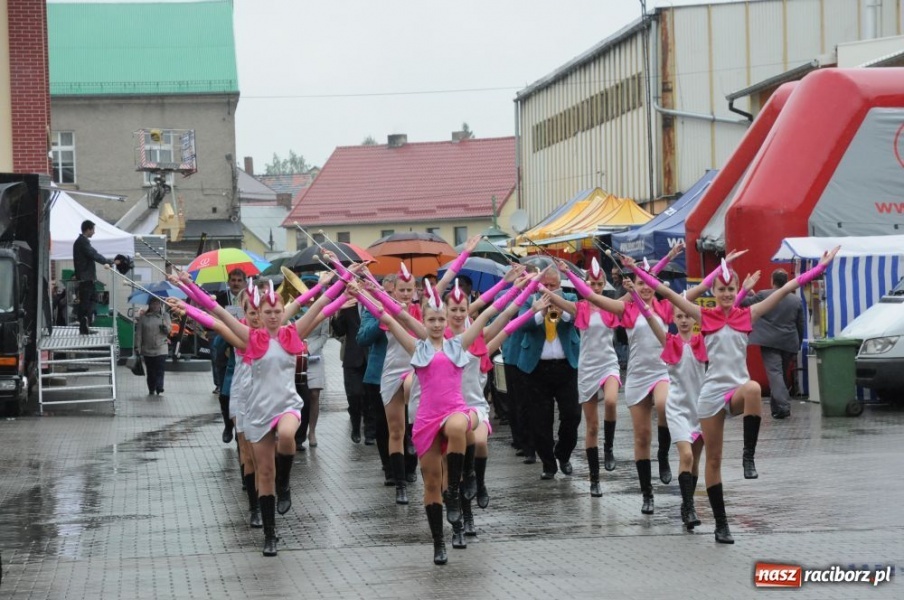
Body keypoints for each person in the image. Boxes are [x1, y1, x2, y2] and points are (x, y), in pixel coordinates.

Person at [629, 247, 839, 543]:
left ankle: (748, 457)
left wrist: (820, 268)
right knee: (712, 461)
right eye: (721, 289)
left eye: (731, 289)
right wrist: (636, 272)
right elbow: (664, 290)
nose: (727, 293)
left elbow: (789, 287)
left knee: (753, 387)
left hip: (735, 391)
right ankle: (721, 524)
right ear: (713, 290)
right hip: (709, 396)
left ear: (736, 290)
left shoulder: (748, 314)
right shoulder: (703, 315)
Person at [545, 258, 620, 497]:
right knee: (591, 427)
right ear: (585, 284)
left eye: (599, 284)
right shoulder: (580, 308)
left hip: (609, 364)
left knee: (610, 401)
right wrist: (537, 284)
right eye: (592, 284)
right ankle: (594, 479)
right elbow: (556, 300)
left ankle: (608, 448)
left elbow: (641, 291)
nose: (595, 288)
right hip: (587, 367)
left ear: (604, 285)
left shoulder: (612, 306)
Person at [515, 267, 581, 480]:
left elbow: (577, 317)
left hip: (565, 366)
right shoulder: (530, 300)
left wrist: (561, 310)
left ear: (560, 285)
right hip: (537, 369)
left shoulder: (569, 298)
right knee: (540, 421)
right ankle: (548, 464)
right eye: (545, 286)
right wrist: (538, 312)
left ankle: (563, 453)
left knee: (572, 415)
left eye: (553, 286)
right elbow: (521, 325)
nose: (549, 291)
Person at [742, 268, 805, 419]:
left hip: (769, 341)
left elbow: (743, 304)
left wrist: (746, 291)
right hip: (789, 342)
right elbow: (800, 324)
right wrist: (799, 343)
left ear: (772, 281)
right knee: (780, 375)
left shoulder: (764, 295)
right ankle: (776, 408)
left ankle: (783, 406)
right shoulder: (796, 300)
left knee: (775, 374)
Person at [331, 295, 370, 444]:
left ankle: (369, 431)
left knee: (369, 396)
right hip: (352, 357)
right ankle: (355, 427)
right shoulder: (348, 306)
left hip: (370, 356)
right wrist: (337, 312)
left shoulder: (373, 303)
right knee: (354, 394)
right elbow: (340, 331)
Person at [72, 220, 117, 335]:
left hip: (86, 278)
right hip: (86, 278)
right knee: (87, 302)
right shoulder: (82, 242)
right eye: (93, 229)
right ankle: (84, 326)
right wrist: (108, 262)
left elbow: (93, 254)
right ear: (88, 229)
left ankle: (85, 326)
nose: (94, 232)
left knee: (91, 301)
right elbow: (94, 254)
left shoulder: (81, 241)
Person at [212, 269, 247, 395]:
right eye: (233, 280)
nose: (236, 283)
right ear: (228, 282)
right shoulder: (220, 298)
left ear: (244, 282)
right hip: (225, 334)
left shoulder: (248, 298)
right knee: (217, 347)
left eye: (239, 280)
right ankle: (220, 386)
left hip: (243, 336)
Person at [134, 297, 171, 395]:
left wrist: (165, 327)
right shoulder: (144, 318)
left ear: (160, 305)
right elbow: (139, 333)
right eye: (153, 304)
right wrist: (137, 346)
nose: (155, 306)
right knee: (150, 371)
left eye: (157, 304)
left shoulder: (165, 316)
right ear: (149, 305)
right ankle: (151, 388)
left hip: (161, 348)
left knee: (160, 369)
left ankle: (159, 387)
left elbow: (169, 331)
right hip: (147, 349)